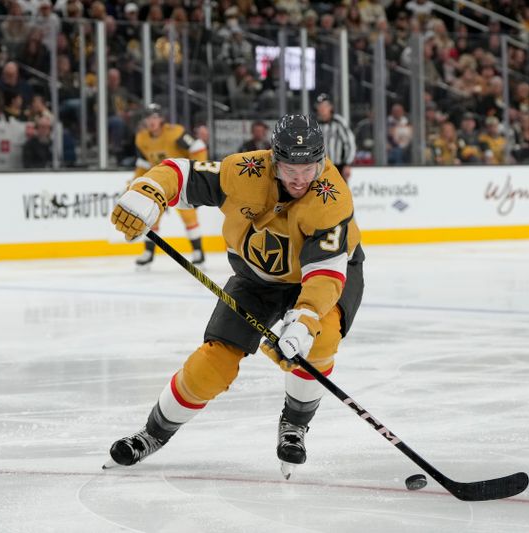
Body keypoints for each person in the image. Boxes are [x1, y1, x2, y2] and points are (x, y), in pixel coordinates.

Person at [107, 114, 364, 479]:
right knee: (213, 363)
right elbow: (183, 173)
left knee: (318, 341)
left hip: (329, 274)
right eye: (291, 167)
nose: (300, 178)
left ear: (320, 161)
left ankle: (294, 425)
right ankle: (152, 434)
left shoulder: (331, 198)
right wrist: (150, 190)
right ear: (275, 160)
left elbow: (324, 274)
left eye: (308, 167)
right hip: (256, 277)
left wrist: (304, 319)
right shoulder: (244, 172)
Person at [130, 103, 208, 266]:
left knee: (188, 215)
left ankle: (198, 251)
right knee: (150, 215)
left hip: (181, 179)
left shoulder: (175, 133)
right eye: (148, 118)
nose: (152, 121)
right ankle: (148, 252)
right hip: (158, 182)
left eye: (155, 117)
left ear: (161, 119)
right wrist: (134, 182)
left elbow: (198, 146)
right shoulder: (141, 138)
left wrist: (198, 172)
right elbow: (144, 162)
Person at [314, 93, 356, 180]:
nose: (322, 109)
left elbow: (349, 143)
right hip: (319, 168)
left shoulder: (338, 122)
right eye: (320, 106)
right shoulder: (314, 124)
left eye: (325, 106)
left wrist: (347, 164)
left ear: (330, 107)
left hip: (337, 167)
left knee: (338, 192)